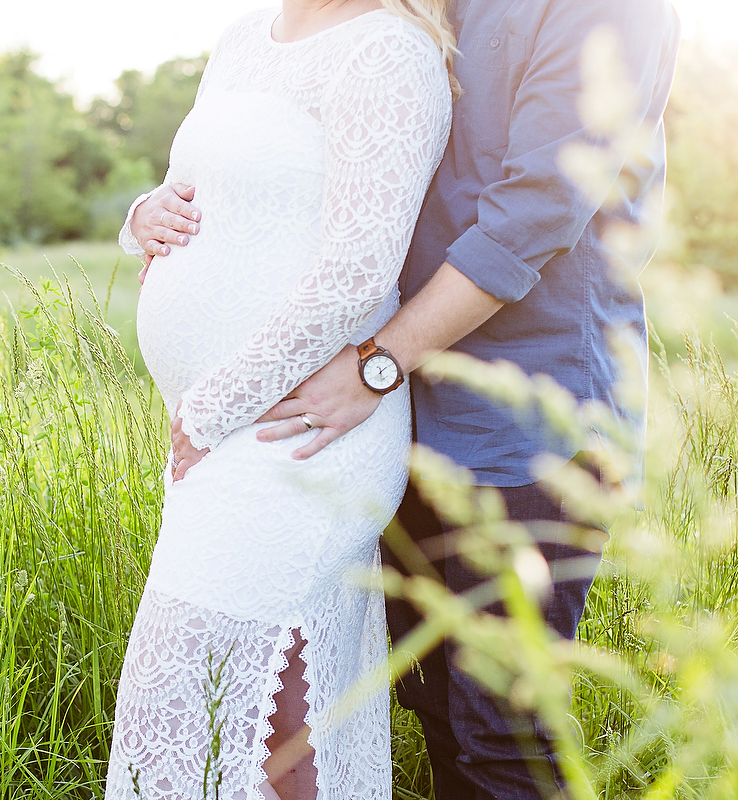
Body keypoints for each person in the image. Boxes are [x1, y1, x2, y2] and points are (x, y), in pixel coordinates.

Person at [124, 0, 681, 797]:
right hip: (406, 416)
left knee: (502, 734)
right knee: (439, 720)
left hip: (530, 425)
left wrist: (377, 363)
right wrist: (148, 212)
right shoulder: (420, 6)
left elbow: (535, 214)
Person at [105, 1, 455, 798]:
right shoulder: (242, 38)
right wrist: (142, 215)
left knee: (182, 685)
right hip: (228, 432)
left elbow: (358, 272)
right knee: (280, 715)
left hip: (299, 433)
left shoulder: (389, 50)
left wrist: (209, 408)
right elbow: (200, 186)